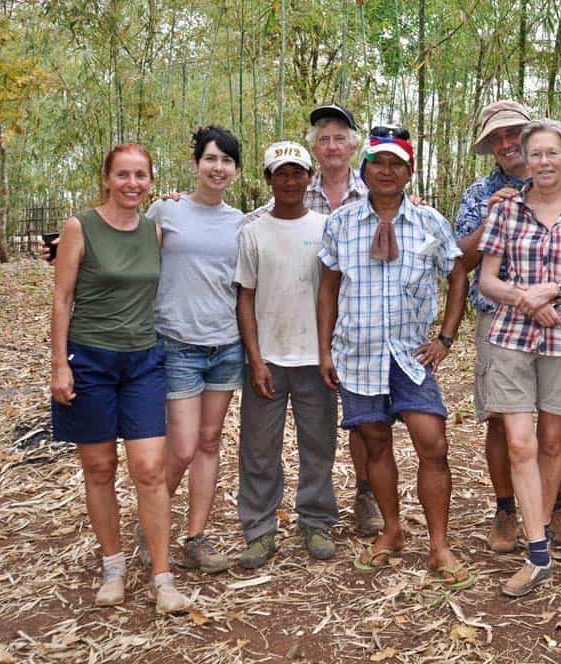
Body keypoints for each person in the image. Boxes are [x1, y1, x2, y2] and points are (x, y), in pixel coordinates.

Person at [317, 126, 473, 590]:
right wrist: (325, 350)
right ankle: (392, 529)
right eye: (378, 162)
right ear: (364, 169)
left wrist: (445, 338)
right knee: (375, 444)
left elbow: (458, 275)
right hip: (358, 353)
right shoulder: (341, 223)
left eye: (396, 164)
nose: (386, 171)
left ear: (409, 172)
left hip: (410, 356)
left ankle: (439, 545)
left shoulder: (430, 222)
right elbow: (328, 288)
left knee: (433, 444)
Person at [49, 144, 189, 613]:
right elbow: (62, 299)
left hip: (143, 361)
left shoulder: (155, 230)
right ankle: (113, 567)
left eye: (141, 175)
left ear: (151, 180)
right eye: (123, 175)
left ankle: (162, 577)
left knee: (149, 469)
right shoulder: (80, 227)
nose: (132, 183)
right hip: (90, 360)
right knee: (100, 468)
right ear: (106, 178)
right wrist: (59, 364)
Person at [455, 101, 561, 553]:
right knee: (502, 423)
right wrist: (526, 298)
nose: (507, 144)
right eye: (496, 138)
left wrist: (548, 294)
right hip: (501, 322)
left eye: (512, 135)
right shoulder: (485, 197)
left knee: (559, 427)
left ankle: (556, 506)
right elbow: (463, 260)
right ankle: (506, 510)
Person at [478, 119, 561, 597]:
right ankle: (537, 552)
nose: (544, 161)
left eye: (552, 153)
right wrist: (526, 299)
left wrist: (551, 291)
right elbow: (487, 280)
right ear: (525, 160)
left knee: (553, 441)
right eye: (536, 154)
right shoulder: (506, 209)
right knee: (520, 443)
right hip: (511, 336)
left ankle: (544, 527)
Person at [248, 103, 382, 536]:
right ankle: (265, 523)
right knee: (272, 441)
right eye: (323, 139)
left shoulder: (376, 193)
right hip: (288, 340)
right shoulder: (283, 204)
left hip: (354, 332)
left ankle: (359, 498)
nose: (332, 146)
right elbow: (260, 228)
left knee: (357, 425)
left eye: (340, 138)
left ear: (353, 146)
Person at [140, 126, 245, 574]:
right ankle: (151, 525)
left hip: (225, 345)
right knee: (182, 447)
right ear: (196, 163)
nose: (218, 168)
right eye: (211, 159)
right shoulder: (166, 210)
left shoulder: (242, 222)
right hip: (177, 342)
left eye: (227, 161)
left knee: (208, 441)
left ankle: (196, 537)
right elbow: (132, 257)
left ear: (236, 170)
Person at [233, 141, 339, 566]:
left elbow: (334, 290)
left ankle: (316, 520)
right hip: (269, 360)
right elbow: (245, 298)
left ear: (310, 178)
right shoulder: (253, 231)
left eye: (298, 173)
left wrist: (327, 351)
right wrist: (255, 359)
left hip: (315, 358)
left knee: (319, 445)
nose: (291, 181)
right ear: (268, 179)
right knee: (259, 448)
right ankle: (259, 529)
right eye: (281, 173)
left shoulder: (327, 227)